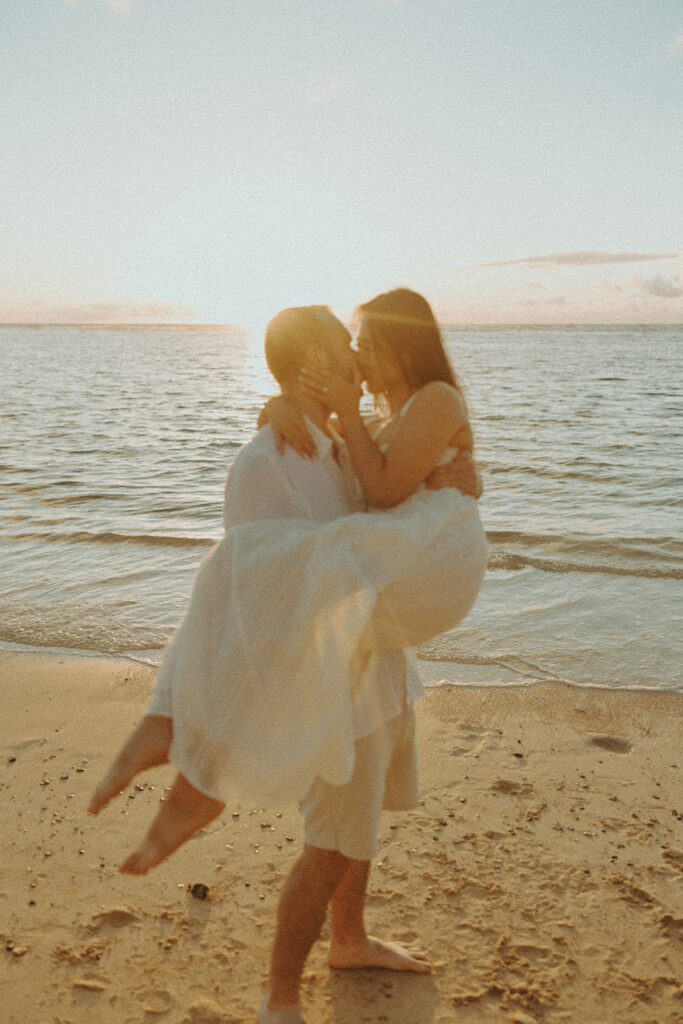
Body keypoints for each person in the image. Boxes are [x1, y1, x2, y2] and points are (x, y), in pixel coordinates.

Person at [89, 297, 484, 1024]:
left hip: (382, 663)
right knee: (330, 841)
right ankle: (279, 998)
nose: (360, 360)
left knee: (358, 825)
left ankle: (351, 939)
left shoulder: (339, 439)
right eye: (347, 344)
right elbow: (252, 598)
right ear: (316, 363)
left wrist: (460, 474)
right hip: (335, 686)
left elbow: (392, 493)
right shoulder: (266, 460)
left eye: (364, 344)